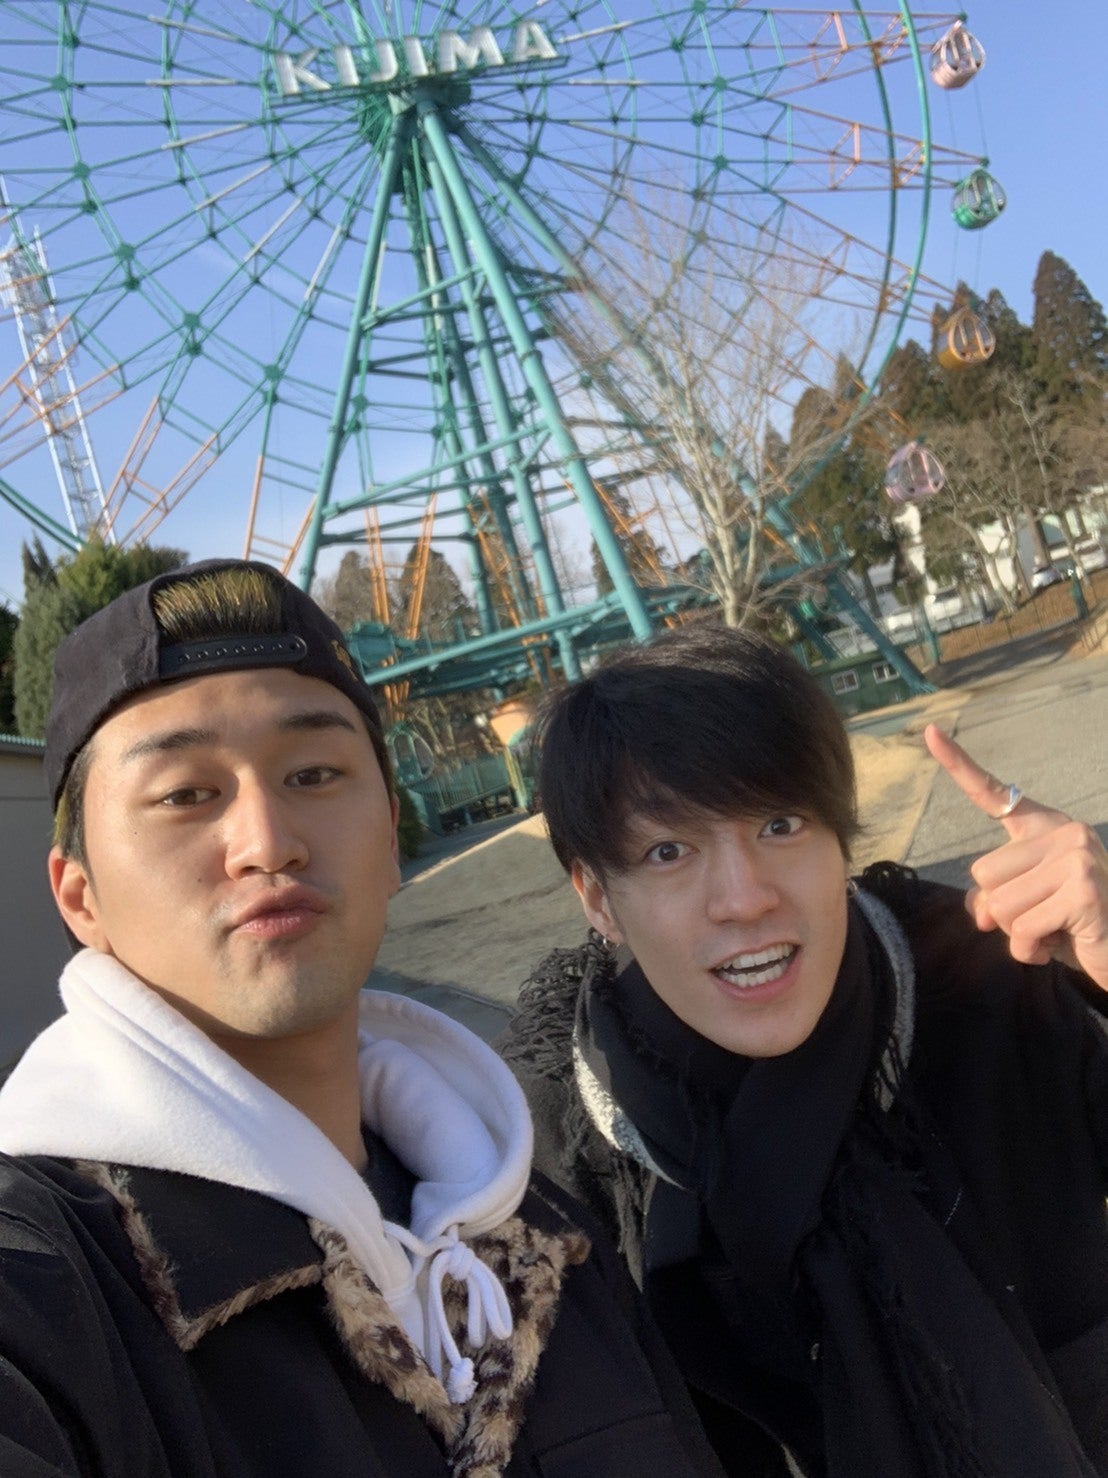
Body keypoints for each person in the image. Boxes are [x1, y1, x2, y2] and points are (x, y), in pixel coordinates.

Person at [0, 559, 723, 1478]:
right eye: (184, 795)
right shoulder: (49, 1280)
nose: (268, 843)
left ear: (389, 838)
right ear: (80, 898)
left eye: (313, 773)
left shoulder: (549, 1240)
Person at [502, 622, 1108, 1478]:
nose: (744, 898)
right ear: (598, 898)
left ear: (841, 839)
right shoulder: (545, 1162)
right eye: (669, 851)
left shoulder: (983, 982)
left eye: (781, 824)